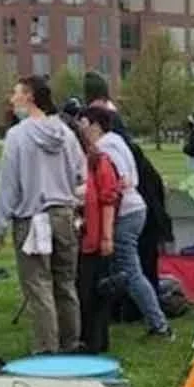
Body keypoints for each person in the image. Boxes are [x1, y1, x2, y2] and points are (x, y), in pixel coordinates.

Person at [0, 75, 85, 354]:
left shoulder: (18, 136)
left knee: (38, 285)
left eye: (16, 93)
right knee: (65, 283)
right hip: (64, 215)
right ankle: (70, 343)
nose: (12, 99)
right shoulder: (66, 135)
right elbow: (81, 174)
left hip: (32, 218)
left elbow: (9, 185)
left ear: (29, 97)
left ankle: (47, 348)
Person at [93, 108, 173, 339]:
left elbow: (121, 183)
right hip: (137, 208)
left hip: (126, 212)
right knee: (127, 270)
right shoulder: (120, 142)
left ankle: (159, 325)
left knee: (131, 271)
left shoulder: (106, 146)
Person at [76, 106, 121, 353]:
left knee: (94, 289)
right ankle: (82, 336)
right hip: (77, 236)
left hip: (94, 236)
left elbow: (108, 198)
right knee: (81, 288)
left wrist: (106, 236)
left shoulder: (99, 162)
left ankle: (96, 339)